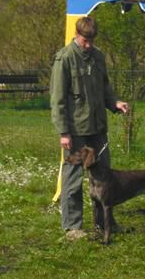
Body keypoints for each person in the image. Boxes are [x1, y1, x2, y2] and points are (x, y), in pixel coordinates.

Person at [50, 16, 129, 241]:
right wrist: (63, 132)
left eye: (92, 41)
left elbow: (105, 88)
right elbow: (57, 99)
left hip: (98, 127)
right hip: (75, 130)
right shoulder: (64, 58)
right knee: (73, 179)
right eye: (85, 41)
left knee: (105, 177)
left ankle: (104, 223)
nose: (89, 45)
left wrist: (115, 103)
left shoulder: (99, 57)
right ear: (77, 35)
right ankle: (73, 227)